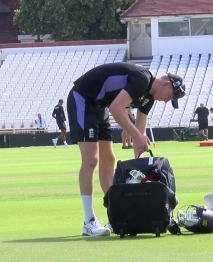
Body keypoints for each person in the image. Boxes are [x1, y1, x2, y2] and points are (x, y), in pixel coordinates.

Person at [66, 62, 186, 236]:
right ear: (166, 84)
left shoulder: (148, 98)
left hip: (101, 106)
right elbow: (116, 109)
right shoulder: (143, 79)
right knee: (91, 159)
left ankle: (115, 216)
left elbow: (140, 133)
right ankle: (89, 221)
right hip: (84, 98)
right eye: (170, 96)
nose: (167, 101)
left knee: (109, 159)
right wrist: (135, 134)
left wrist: (139, 146)